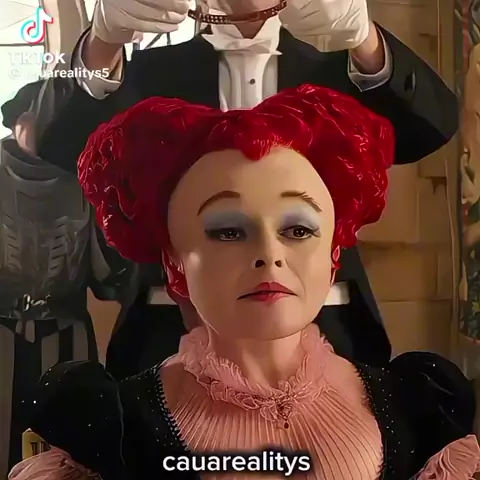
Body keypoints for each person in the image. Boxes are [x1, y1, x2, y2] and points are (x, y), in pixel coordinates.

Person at [8, 85, 478, 480]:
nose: (269, 254)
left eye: (299, 229)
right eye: (228, 231)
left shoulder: (412, 406)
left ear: (334, 254)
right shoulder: (118, 427)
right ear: (174, 263)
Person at [31, 0, 458, 375]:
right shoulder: (147, 73)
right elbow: (54, 142)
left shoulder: (337, 68)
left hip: (331, 326)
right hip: (167, 328)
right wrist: (102, 43)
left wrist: (366, 42)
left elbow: (432, 128)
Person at [0, 81, 134, 476]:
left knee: (67, 452)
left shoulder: (86, 181)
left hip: (66, 335)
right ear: (18, 120)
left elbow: (107, 279)